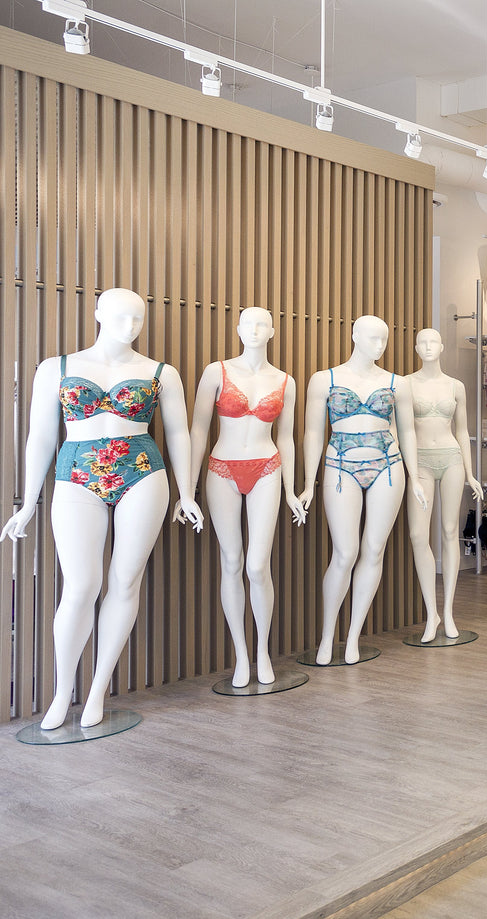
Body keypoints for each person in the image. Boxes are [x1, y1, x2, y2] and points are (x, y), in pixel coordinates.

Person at [0, 288, 203, 729]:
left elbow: (179, 433)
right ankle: (61, 693)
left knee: (125, 582)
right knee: (80, 585)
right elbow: (40, 435)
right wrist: (28, 500)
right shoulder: (56, 368)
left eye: (138, 318)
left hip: (143, 471)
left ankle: (97, 690)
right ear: (97, 314)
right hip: (75, 472)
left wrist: (186, 493)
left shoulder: (159, 372)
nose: (130, 326)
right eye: (120, 316)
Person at [184, 307, 306, 688]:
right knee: (232, 561)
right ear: (237, 329)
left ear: (272, 331)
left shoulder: (285, 381)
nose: (254, 330)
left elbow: (286, 438)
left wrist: (291, 490)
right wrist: (187, 490)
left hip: (268, 468)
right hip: (222, 469)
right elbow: (198, 431)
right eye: (248, 324)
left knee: (256, 565)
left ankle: (262, 651)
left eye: (262, 324)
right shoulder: (216, 372)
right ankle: (241, 654)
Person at [299, 315, 427, 665]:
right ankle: (328, 636)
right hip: (340, 465)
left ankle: (353, 636)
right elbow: (313, 433)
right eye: (373, 338)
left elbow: (407, 432)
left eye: (384, 339)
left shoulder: (397, 383)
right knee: (345, 552)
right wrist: (308, 483)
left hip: (388, 465)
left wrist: (415, 477)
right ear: (354, 335)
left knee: (373, 549)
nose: (380, 345)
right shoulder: (324, 380)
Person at [406, 329, 484, 642]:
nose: (428, 347)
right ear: (416, 348)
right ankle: (431, 613)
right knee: (417, 534)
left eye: (433, 342)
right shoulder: (406, 384)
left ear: (441, 347)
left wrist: (470, 473)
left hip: (451, 458)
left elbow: (462, 431)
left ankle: (448, 611)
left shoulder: (456, 386)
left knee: (450, 531)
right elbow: (403, 430)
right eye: (422, 342)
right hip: (421, 461)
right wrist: (410, 472)